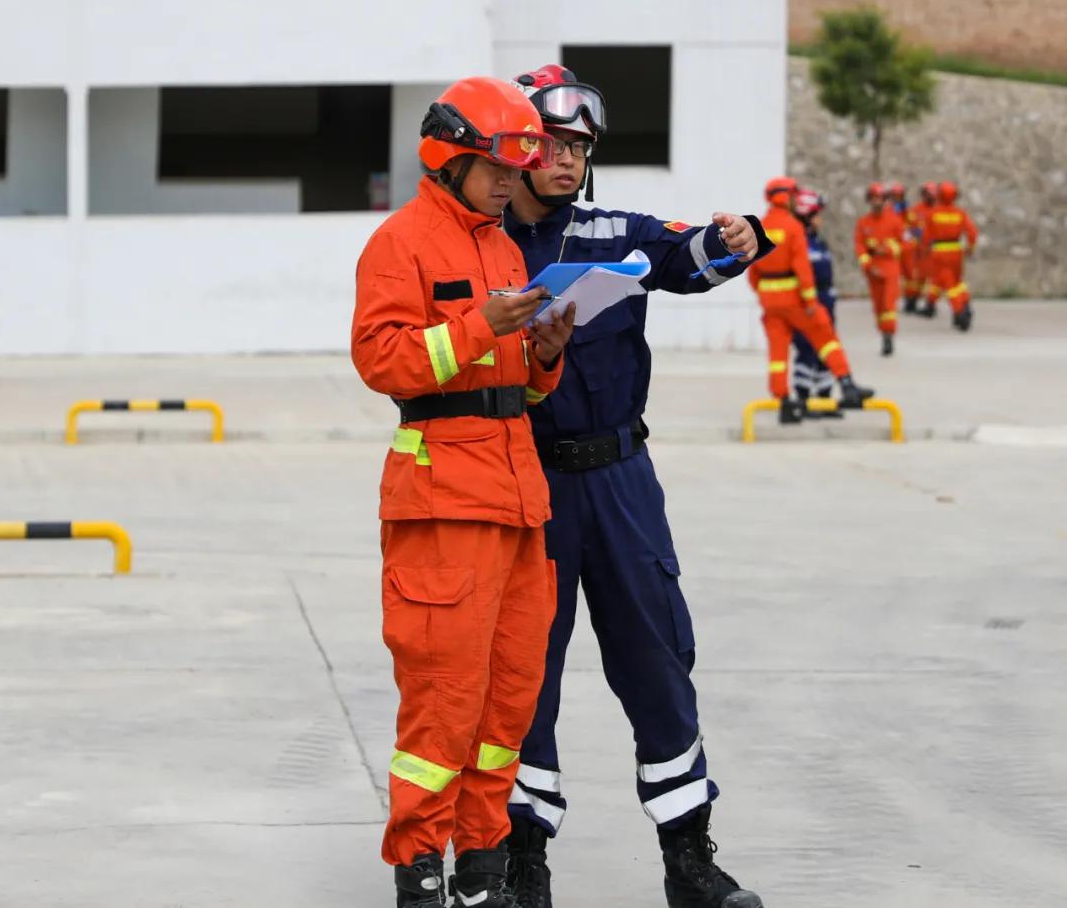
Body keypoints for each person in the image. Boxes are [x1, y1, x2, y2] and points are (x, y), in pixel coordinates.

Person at [500, 64, 770, 908]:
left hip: (620, 480)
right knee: (523, 676)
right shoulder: (479, 243)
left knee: (658, 658)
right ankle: (523, 862)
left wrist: (735, 239)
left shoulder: (615, 227)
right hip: (526, 487)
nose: (568, 159)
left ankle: (689, 858)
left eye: (580, 146)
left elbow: (685, 258)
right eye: (551, 143)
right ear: (517, 147)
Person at [352, 75, 576, 908]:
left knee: (507, 699)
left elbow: (518, 387)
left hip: (518, 500)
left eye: (518, 170)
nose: (513, 183)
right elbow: (383, 361)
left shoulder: (503, 245)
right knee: (444, 703)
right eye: (498, 167)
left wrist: (544, 350)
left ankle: (483, 866)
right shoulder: (400, 243)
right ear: (450, 158)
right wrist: (485, 325)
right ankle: (420, 869)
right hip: (443, 499)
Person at [755, 176, 875, 423]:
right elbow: (802, 268)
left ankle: (785, 404)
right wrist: (810, 303)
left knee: (778, 355)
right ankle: (847, 384)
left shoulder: (760, 227)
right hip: (794, 301)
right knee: (826, 337)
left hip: (769, 303)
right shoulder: (792, 227)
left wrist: (765, 293)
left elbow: (752, 270)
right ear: (784, 197)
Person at [790, 187, 841, 417]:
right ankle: (803, 399)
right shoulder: (797, 240)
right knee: (807, 351)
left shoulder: (817, 241)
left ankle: (824, 399)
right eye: (817, 214)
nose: (821, 219)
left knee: (826, 350)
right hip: (806, 304)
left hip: (825, 301)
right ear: (807, 214)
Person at [854, 182, 905, 356]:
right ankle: (883, 331)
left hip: (890, 267)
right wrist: (867, 264)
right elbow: (859, 246)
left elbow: (904, 244)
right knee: (878, 306)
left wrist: (887, 249)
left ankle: (888, 335)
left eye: (880, 199)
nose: (877, 202)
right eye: (874, 198)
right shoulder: (863, 223)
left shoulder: (895, 221)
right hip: (873, 270)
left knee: (889, 304)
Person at [920, 180, 979, 331]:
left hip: (940, 253)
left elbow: (926, 237)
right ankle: (964, 303)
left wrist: (924, 252)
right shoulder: (959, 213)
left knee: (948, 284)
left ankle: (960, 312)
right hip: (957, 251)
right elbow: (972, 232)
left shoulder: (933, 213)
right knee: (957, 281)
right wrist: (970, 248)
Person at [888, 182, 923, 313]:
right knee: (892, 274)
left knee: (910, 274)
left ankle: (911, 299)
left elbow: (917, 228)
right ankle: (889, 301)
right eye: (895, 195)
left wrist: (915, 240)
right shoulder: (888, 211)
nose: (897, 198)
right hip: (893, 247)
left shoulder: (909, 211)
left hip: (908, 247)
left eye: (899, 195)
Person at [910, 182, 938, 314]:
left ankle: (930, 304)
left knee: (935, 278)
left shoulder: (939, 210)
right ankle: (912, 300)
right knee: (919, 277)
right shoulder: (916, 210)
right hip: (921, 250)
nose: (930, 197)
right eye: (928, 194)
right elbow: (911, 227)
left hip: (936, 250)